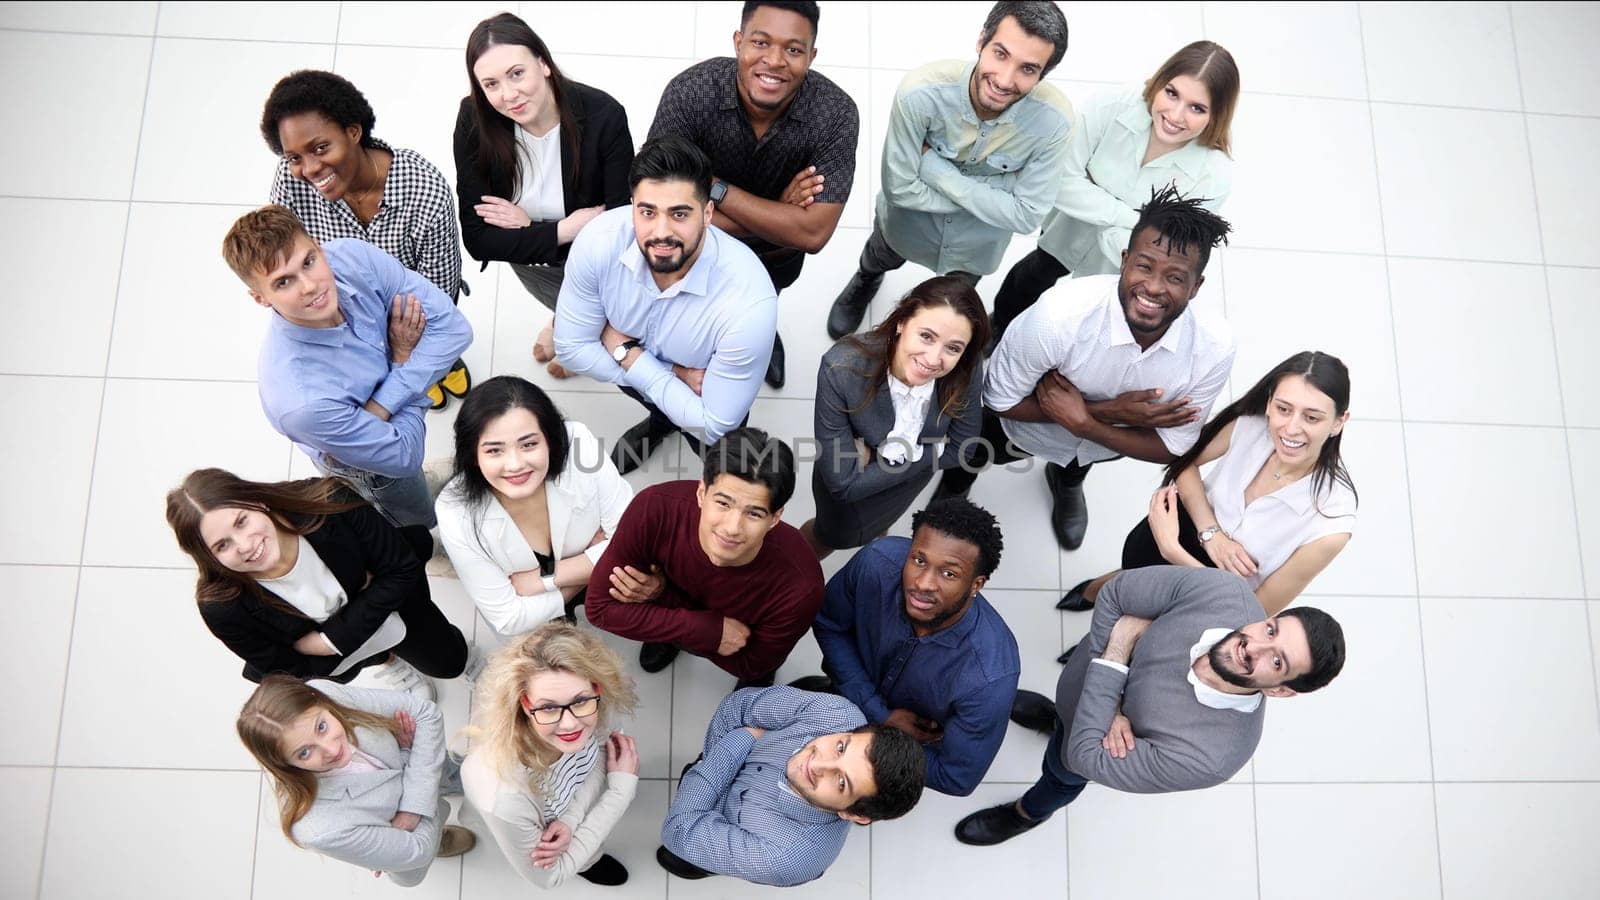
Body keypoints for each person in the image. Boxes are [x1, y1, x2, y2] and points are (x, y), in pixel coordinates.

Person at [954, 565, 1346, 846]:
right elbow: (1114, 594)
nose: (1253, 646)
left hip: (1072, 756)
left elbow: (1088, 756)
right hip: (1073, 698)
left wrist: (1121, 648)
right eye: (1270, 629)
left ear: (1280, 690)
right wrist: (1110, 707)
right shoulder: (1227, 594)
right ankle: (1053, 716)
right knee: (1065, 718)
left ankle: (1026, 814)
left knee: (1061, 775)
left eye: (1276, 661)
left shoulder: (1214, 756)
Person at [935, 186, 1235, 552]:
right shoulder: (1058, 317)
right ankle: (955, 486)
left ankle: (1067, 481)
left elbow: (1173, 447)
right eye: (1144, 266)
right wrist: (1110, 414)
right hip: (1020, 430)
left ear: (1196, 286)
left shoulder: (1214, 347)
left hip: (1102, 446)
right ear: (1124, 261)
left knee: (1079, 463)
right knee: (976, 453)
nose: (1153, 287)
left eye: (1175, 277)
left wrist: (1087, 424)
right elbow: (998, 401)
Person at [1056, 353, 1356, 653]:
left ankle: (1090, 646)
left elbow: (1251, 614)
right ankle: (1090, 593)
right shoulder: (1251, 425)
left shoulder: (1331, 523)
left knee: (1135, 633)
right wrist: (1210, 534)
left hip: (1213, 595)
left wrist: (1173, 552)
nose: (1290, 428)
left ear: (1338, 422)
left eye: (1312, 417)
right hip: (1184, 525)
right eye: (1283, 409)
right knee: (1126, 577)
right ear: (1269, 404)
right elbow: (1185, 463)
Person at [825, 0, 1072, 340]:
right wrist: (996, 196)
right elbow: (899, 187)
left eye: (1028, 69)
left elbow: (1027, 215)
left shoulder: (1055, 123)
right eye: (1000, 54)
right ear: (981, 41)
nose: (1004, 79)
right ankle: (865, 280)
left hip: (976, 248)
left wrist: (934, 169)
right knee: (879, 256)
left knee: (948, 307)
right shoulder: (921, 93)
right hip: (907, 224)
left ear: (1043, 74)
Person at [649, 0, 859, 389]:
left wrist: (710, 188)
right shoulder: (691, 92)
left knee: (761, 306)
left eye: (793, 50)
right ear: (738, 42)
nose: (775, 61)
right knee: (687, 318)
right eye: (761, 43)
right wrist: (781, 214)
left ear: (811, 56)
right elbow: (661, 211)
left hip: (773, 263)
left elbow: (812, 234)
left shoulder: (836, 114)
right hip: (695, 256)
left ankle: (763, 337)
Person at [223, 205, 473, 530]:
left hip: (372, 425)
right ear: (261, 298)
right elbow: (402, 455)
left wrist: (379, 406)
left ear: (317, 245)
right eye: (284, 282)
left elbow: (455, 331)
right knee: (413, 516)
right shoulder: (300, 401)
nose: (310, 286)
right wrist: (403, 359)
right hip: (365, 464)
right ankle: (431, 538)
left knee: (415, 478)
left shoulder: (351, 256)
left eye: (309, 262)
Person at [551, 136, 778, 475]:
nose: (661, 232)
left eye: (679, 214)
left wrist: (623, 350)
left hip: (694, 395)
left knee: (714, 454)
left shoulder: (749, 305)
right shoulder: (599, 242)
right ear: (632, 207)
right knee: (658, 404)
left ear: (708, 213)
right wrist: (668, 372)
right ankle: (659, 424)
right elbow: (570, 349)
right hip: (669, 380)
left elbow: (712, 425)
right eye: (647, 212)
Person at [990, 40, 1239, 346]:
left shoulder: (1213, 176)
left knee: (1088, 312)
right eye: (1171, 93)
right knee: (1034, 274)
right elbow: (1059, 180)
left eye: (1197, 108)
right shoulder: (1112, 104)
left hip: (1125, 256)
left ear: (1217, 115)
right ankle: (998, 327)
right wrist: (1137, 220)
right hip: (1070, 225)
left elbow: (1168, 247)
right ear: (1159, 83)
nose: (1175, 115)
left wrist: (1096, 199)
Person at [263, 69, 472, 410]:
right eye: (294, 157)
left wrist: (417, 340)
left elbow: (439, 289)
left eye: (320, 147)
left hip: (414, 305)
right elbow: (282, 260)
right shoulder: (291, 184)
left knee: (435, 353)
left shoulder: (423, 188)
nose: (309, 168)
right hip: (345, 311)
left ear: (353, 131)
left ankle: (441, 368)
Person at [167, 469, 469, 698]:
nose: (245, 546)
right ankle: (387, 659)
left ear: (257, 502)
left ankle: (399, 652)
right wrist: (368, 600)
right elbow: (292, 670)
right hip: (340, 657)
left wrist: (327, 641)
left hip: (396, 613)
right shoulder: (222, 606)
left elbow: (401, 568)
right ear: (208, 557)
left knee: (450, 662)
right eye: (222, 546)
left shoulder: (329, 501)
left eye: (242, 521)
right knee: (362, 660)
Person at [796, 498, 1018, 796]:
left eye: (949, 573)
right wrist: (877, 712)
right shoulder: (877, 562)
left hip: (904, 748)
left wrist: (881, 749)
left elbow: (956, 777)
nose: (923, 583)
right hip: (847, 686)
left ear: (977, 584)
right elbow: (829, 622)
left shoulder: (990, 677)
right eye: (919, 560)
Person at [457, 12, 634, 379]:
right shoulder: (475, 120)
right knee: (558, 297)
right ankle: (563, 319)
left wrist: (525, 230)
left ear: (543, 64)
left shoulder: (604, 116)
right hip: (534, 263)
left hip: (590, 260)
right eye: (490, 84)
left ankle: (574, 333)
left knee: (598, 308)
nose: (507, 95)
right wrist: (561, 230)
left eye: (516, 73)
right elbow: (479, 239)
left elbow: (617, 227)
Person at [584, 428, 821, 685]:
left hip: (743, 644)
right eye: (723, 503)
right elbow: (599, 609)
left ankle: (669, 632)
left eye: (754, 513)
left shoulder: (801, 587)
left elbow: (751, 664)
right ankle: (671, 636)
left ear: (775, 517)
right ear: (701, 493)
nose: (732, 528)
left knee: (755, 680)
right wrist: (700, 629)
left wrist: (661, 604)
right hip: (683, 609)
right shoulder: (654, 508)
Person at [657, 685, 925, 886]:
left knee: (687, 852)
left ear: (854, 814)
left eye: (841, 782)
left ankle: (704, 864)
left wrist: (741, 740)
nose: (818, 765)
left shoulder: (786, 859)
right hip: (712, 786)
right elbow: (736, 706)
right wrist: (710, 766)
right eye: (841, 747)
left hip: (721, 826)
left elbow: (679, 833)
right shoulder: (837, 714)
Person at [801, 276, 989, 559]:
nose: (934, 359)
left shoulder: (966, 363)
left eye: (952, 348)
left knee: (881, 527)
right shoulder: (841, 368)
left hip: (900, 485)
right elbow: (843, 485)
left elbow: (964, 449)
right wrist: (934, 450)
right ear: (902, 321)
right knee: (829, 536)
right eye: (926, 336)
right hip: (847, 504)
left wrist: (902, 456)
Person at [435, 375, 634, 640]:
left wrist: (544, 579)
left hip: (604, 584)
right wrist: (589, 563)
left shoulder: (578, 443)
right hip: (542, 621)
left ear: (551, 439)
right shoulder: (454, 511)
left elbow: (634, 542)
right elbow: (509, 618)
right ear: (473, 455)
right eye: (495, 451)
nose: (515, 464)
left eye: (529, 444)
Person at [237, 675, 476, 884]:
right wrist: (416, 757)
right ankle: (436, 838)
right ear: (284, 764)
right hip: (415, 845)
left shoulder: (323, 692)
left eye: (321, 727)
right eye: (304, 752)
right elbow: (418, 851)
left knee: (460, 775)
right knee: (418, 854)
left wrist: (411, 811)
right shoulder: (319, 829)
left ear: (321, 704)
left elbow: (425, 713)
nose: (331, 749)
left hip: (415, 804)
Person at [461, 622, 641, 887]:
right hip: (535, 823)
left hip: (564, 811)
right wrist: (620, 792)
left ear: (596, 689)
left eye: (580, 701)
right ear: (525, 704)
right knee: (575, 855)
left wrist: (571, 820)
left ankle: (585, 855)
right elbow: (548, 877)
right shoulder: (505, 797)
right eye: (547, 708)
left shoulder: (597, 705)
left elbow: (593, 758)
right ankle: (587, 861)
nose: (569, 724)